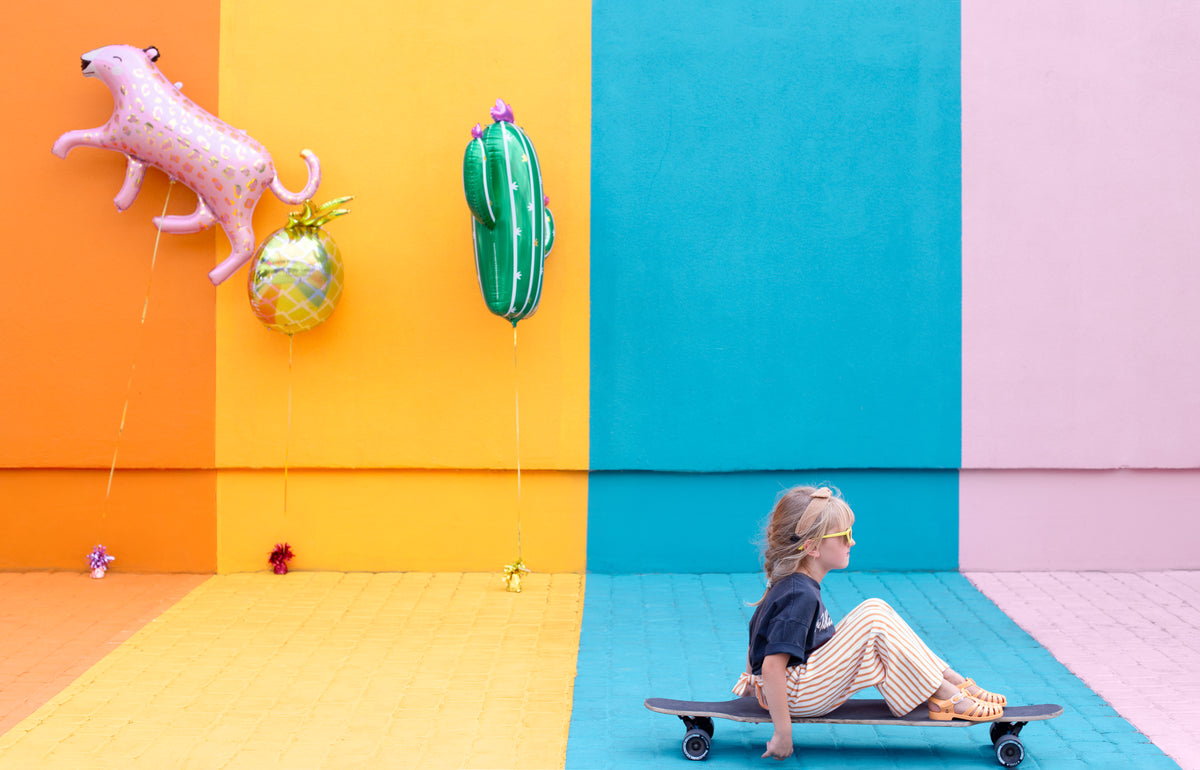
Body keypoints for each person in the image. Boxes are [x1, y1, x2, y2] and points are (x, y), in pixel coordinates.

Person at [732, 486, 1007, 761]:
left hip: (796, 687)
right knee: (873, 616)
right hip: (796, 696)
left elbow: (756, 635)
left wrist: (750, 683)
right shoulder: (798, 594)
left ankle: (951, 683)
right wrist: (783, 732)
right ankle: (945, 693)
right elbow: (772, 665)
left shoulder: (792, 584)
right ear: (812, 547)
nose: (851, 542)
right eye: (844, 535)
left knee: (876, 610)